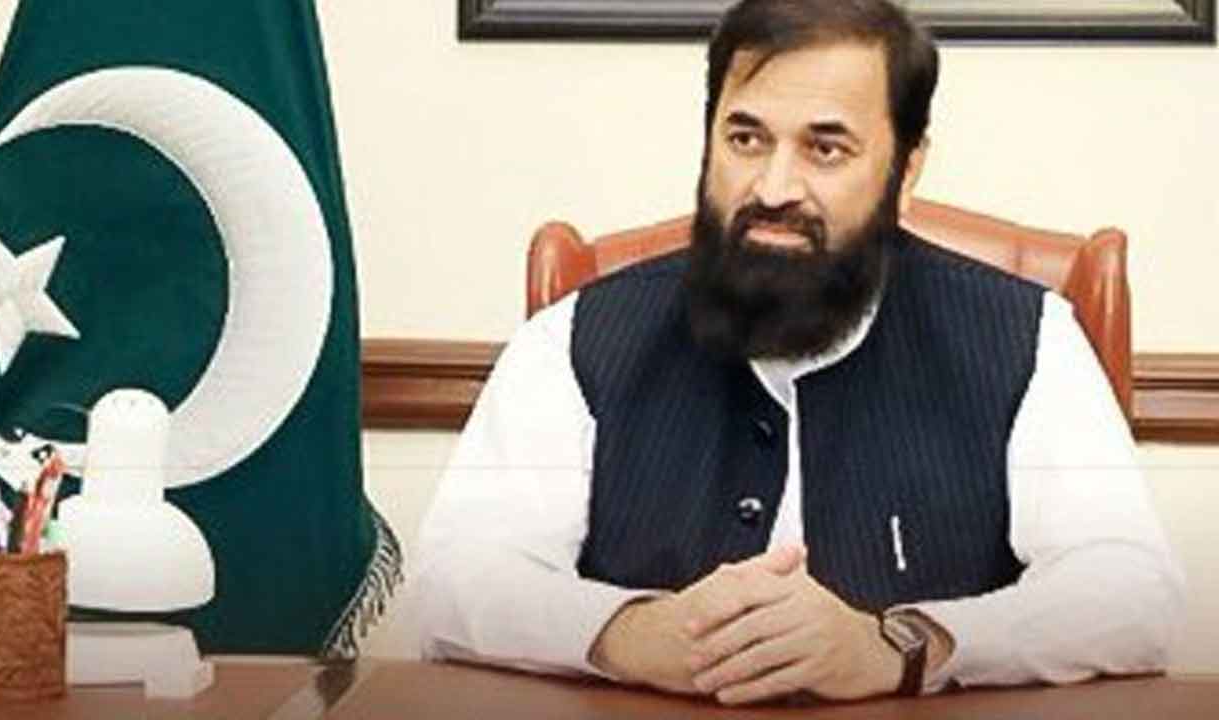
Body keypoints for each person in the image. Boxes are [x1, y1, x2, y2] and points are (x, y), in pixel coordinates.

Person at [409, 0, 1183, 705]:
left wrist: (899, 646)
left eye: (826, 148)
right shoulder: (577, 337)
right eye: (745, 139)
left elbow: (1130, 591)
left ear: (905, 171)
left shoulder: (1028, 339)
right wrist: (633, 633)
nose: (775, 187)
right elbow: (455, 579)